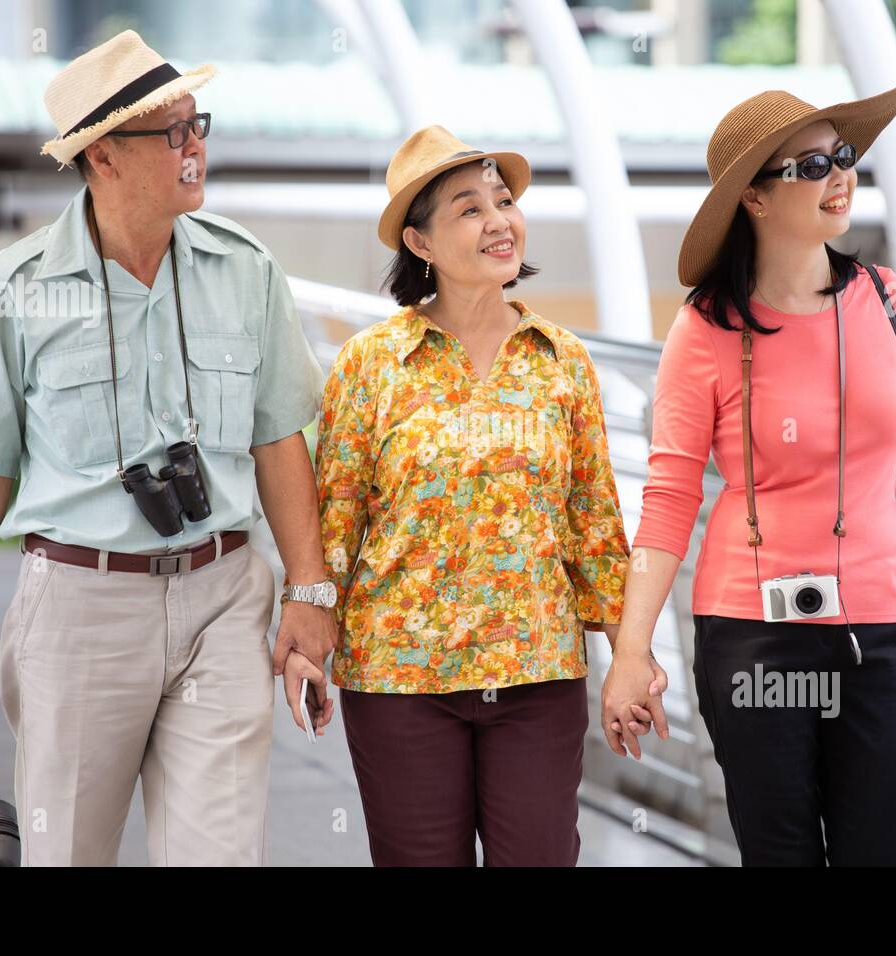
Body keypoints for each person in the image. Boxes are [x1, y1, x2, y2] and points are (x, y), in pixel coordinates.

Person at [0, 30, 337, 866]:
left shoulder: (248, 270)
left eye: (199, 124)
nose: (196, 145)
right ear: (103, 157)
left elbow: (280, 437)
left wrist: (309, 593)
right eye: (173, 134)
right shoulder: (16, 290)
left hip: (225, 597)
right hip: (79, 609)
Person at [602, 81, 896, 865]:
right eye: (813, 164)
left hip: (879, 635)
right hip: (751, 639)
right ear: (753, 198)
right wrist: (632, 652)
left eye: (846, 156)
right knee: (781, 853)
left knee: (882, 850)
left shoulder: (890, 303)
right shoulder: (705, 330)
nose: (840, 176)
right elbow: (667, 499)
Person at [315, 125, 648, 865]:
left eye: (503, 201)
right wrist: (309, 632)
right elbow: (334, 524)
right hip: (401, 676)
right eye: (468, 209)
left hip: (536, 674)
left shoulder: (562, 361)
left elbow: (594, 527)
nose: (499, 220)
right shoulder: (371, 363)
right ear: (421, 242)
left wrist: (632, 655)